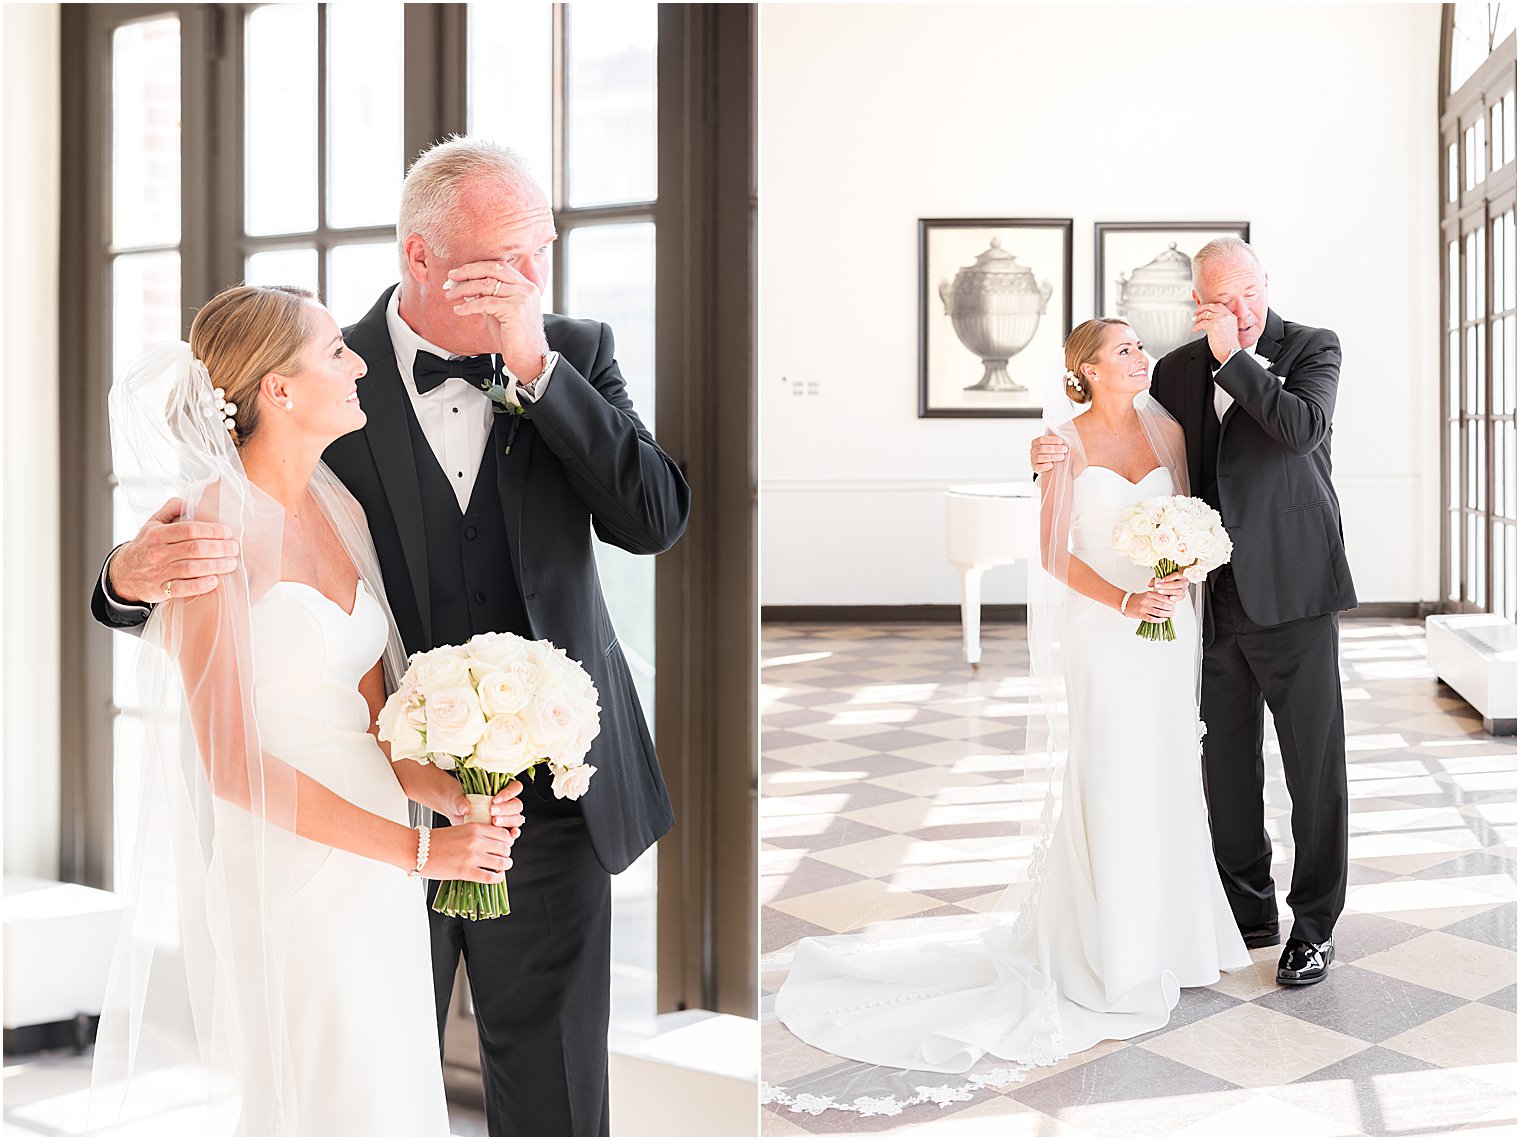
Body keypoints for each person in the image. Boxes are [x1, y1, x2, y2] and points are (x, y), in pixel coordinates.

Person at [92, 137, 692, 1137]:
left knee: (555, 1105)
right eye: (507, 254)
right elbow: (198, 559)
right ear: (422, 257)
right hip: (360, 825)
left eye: (538, 250)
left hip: (544, 817)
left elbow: (654, 520)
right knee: (362, 1087)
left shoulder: (573, 352)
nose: (531, 276)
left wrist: (536, 368)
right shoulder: (322, 378)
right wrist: (122, 579)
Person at [766, 319, 1249, 1117]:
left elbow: (1193, 517)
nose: (1141, 357)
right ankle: (1107, 946)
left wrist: (1180, 571)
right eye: (1124, 350)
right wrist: (1127, 597)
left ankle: (1172, 938)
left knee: (1166, 771)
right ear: (1086, 370)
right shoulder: (1060, 442)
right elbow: (1055, 551)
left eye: (1139, 348)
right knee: (1109, 772)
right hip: (1106, 628)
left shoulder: (1166, 425)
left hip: (1166, 627)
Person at [90, 285, 522, 1136]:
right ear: (277, 393)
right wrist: (423, 850)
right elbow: (232, 765)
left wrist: (458, 797)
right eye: (335, 351)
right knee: (328, 1103)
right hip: (291, 876)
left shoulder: (339, 507)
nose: (360, 363)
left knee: (390, 1095)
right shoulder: (212, 532)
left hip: (380, 872)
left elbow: (376, 724)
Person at [1031, 238, 1355, 986]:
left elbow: (1303, 430)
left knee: (1314, 768)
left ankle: (1314, 926)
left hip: (1296, 592)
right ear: (1197, 299)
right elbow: (1118, 441)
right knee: (1225, 769)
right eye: (1218, 300)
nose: (1237, 310)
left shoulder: (1312, 347)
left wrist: (1233, 357)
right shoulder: (1174, 371)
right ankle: (1248, 910)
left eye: (1246, 294)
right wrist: (1043, 454)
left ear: (1265, 285)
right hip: (1205, 604)